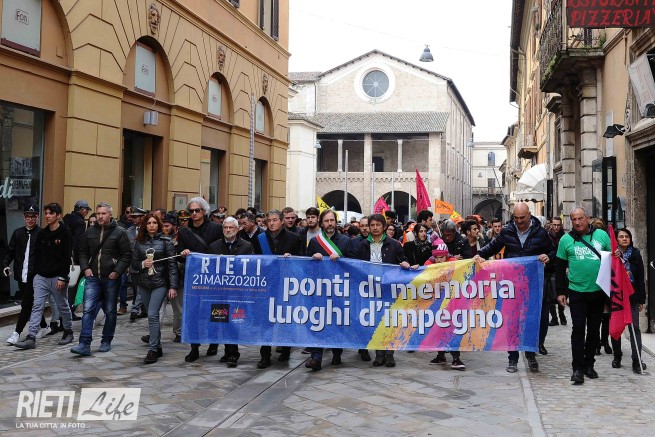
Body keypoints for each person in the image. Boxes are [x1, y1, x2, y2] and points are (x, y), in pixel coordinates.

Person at [475, 202, 553, 374]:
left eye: (522, 218)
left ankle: (531, 355)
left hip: (532, 284)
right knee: (512, 322)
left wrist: (548, 257)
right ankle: (513, 358)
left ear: (529, 215)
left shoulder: (540, 233)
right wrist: (480, 255)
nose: (519, 221)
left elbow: (553, 251)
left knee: (531, 321)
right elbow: (492, 247)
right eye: (516, 218)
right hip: (512, 285)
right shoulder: (508, 231)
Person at [555, 207, 612, 384]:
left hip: (598, 291)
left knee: (594, 330)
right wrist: (561, 292)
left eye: (580, 218)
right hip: (577, 292)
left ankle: (589, 365)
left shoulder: (602, 236)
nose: (578, 222)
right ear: (571, 221)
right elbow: (559, 267)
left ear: (587, 218)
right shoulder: (566, 240)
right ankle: (577, 368)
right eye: (574, 219)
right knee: (578, 329)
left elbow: (611, 261)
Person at [70, 202, 132, 356]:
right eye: (98, 213)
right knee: (88, 309)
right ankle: (84, 343)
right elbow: (82, 252)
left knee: (110, 310)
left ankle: (106, 340)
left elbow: (126, 254)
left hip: (111, 277)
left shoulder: (120, 232)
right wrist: (86, 268)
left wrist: (117, 271)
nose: (100, 216)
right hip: (93, 277)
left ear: (110, 214)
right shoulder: (89, 232)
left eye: (103, 213)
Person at [15, 203, 75, 350]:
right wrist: (36, 275)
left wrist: (62, 277)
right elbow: (37, 256)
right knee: (37, 306)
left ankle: (68, 331)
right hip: (41, 277)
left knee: (62, 305)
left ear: (58, 215)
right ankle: (31, 337)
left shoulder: (65, 233)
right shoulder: (42, 234)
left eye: (51, 213)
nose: (47, 216)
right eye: (46, 213)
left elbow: (66, 257)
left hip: (57, 277)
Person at [358, 213, 412, 367]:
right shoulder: (363, 245)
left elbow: (403, 259)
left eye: (378, 225)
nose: (375, 228)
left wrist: (405, 263)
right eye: (372, 225)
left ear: (384, 227)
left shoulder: (394, 244)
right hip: (370, 288)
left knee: (390, 321)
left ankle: (390, 354)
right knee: (375, 321)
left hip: (388, 288)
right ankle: (379, 354)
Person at [304, 209, 354, 371]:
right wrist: (313, 258)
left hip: (339, 288)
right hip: (320, 288)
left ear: (336, 222)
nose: (330, 224)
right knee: (318, 321)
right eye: (326, 221)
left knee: (337, 321)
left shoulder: (346, 241)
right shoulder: (315, 242)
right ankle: (316, 357)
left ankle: (337, 354)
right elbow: (305, 266)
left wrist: (342, 259)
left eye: (332, 220)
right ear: (321, 223)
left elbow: (354, 263)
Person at [177, 197, 223, 362]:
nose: (194, 214)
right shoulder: (184, 231)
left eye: (197, 210)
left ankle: (213, 341)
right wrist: (183, 254)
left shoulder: (216, 228)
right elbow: (179, 254)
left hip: (213, 277)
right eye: (191, 211)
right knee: (193, 312)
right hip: (194, 277)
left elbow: (221, 250)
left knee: (214, 311)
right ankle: (194, 347)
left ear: (204, 211)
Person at [257, 209, 302, 368]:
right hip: (267, 285)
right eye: (269, 220)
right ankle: (265, 355)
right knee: (266, 321)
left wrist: (292, 259)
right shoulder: (260, 239)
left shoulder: (294, 238)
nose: (271, 223)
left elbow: (302, 261)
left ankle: (286, 349)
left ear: (282, 221)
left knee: (285, 319)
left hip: (286, 285)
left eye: (275, 220)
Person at [132, 213, 179, 364]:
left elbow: (172, 266)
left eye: (154, 223)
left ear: (158, 225)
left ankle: (152, 349)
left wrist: (173, 286)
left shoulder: (166, 242)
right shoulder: (139, 242)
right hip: (144, 283)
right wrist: (142, 264)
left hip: (160, 282)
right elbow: (133, 263)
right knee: (151, 315)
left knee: (152, 314)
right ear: (145, 226)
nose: (152, 225)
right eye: (149, 223)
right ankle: (158, 346)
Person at [208, 216, 253, 367]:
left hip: (237, 292)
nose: (227, 230)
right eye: (225, 227)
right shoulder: (214, 246)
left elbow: (250, 267)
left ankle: (234, 353)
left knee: (234, 321)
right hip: (219, 291)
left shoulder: (246, 246)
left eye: (230, 227)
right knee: (222, 321)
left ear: (237, 229)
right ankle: (228, 351)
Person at [3, 205, 48, 345]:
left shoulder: (42, 233)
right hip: (21, 274)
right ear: (24, 217)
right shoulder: (18, 233)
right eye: (27, 216)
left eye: (33, 216)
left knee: (26, 304)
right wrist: (5, 264)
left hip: (36, 275)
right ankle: (44, 326)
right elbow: (10, 251)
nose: (30, 219)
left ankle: (17, 332)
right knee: (31, 302)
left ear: (37, 217)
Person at [424, 237, 466, 370]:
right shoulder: (428, 263)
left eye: (441, 257)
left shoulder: (454, 263)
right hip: (436, 301)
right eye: (436, 257)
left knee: (452, 328)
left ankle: (456, 358)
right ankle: (441, 355)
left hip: (452, 302)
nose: (439, 260)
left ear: (446, 255)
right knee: (438, 328)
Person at [610, 228, 647, 373]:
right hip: (617, 295)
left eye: (627, 236)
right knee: (617, 325)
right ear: (617, 239)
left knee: (635, 328)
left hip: (632, 296)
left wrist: (641, 299)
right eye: (621, 236)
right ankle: (617, 356)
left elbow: (640, 277)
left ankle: (637, 360)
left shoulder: (636, 254)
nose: (624, 239)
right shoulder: (612, 255)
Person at [161, 213, 182, 343]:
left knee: (178, 308)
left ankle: (179, 332)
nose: (164, 228)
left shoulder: (182, 238)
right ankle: (154, 333)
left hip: (177, 277)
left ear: (174, 226)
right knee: (157, 308)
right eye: (163, 225)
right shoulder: (160, 238)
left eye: (167, 226)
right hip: (161, 277)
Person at [548, 216, 567, 326]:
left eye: (558, 225)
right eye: (554, 225)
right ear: (551, 225)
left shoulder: (564, 237)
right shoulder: (547, 237)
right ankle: (554, 317)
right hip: (550, 267)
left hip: (561, 268)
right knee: (550, 295)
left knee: (561, 292)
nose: (556, 227)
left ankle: (561, 314)